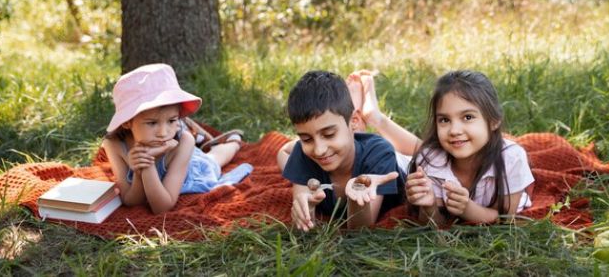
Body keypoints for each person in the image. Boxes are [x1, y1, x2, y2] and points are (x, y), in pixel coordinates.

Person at [103, 63, 252, 214]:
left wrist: (148, 165)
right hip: (173, 152)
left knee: (214, 159)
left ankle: (233, 141)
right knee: (207, 152)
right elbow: (131, 200)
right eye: (152, 123)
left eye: (172, 120)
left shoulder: (184, 142)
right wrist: (139, 171)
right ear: (127, 121)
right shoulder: (114, 144)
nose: (163, 133)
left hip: (191, 169)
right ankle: (198, 134)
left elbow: (161, 207)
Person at [281, 70, 404, 231]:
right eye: (306, 139)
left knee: (425, 150)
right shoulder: (302, 153)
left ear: (353, 121)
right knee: (282, 152)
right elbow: (304, 219)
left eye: (329, 134)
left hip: (403, 161)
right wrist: (306, 211)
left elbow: (361, 230)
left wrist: (356, 196)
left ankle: (370, 109)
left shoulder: (379, 154)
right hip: (351, 139)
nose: (319, 150)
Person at [405, 70, 534, 224]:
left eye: (468, 117)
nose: (454, 131)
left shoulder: (511, 158)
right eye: (444, 120)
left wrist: (468, 210)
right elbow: (435, 225)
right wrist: (429, 206)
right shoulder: (431, 159)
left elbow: (507, 220)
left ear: (494, 120)